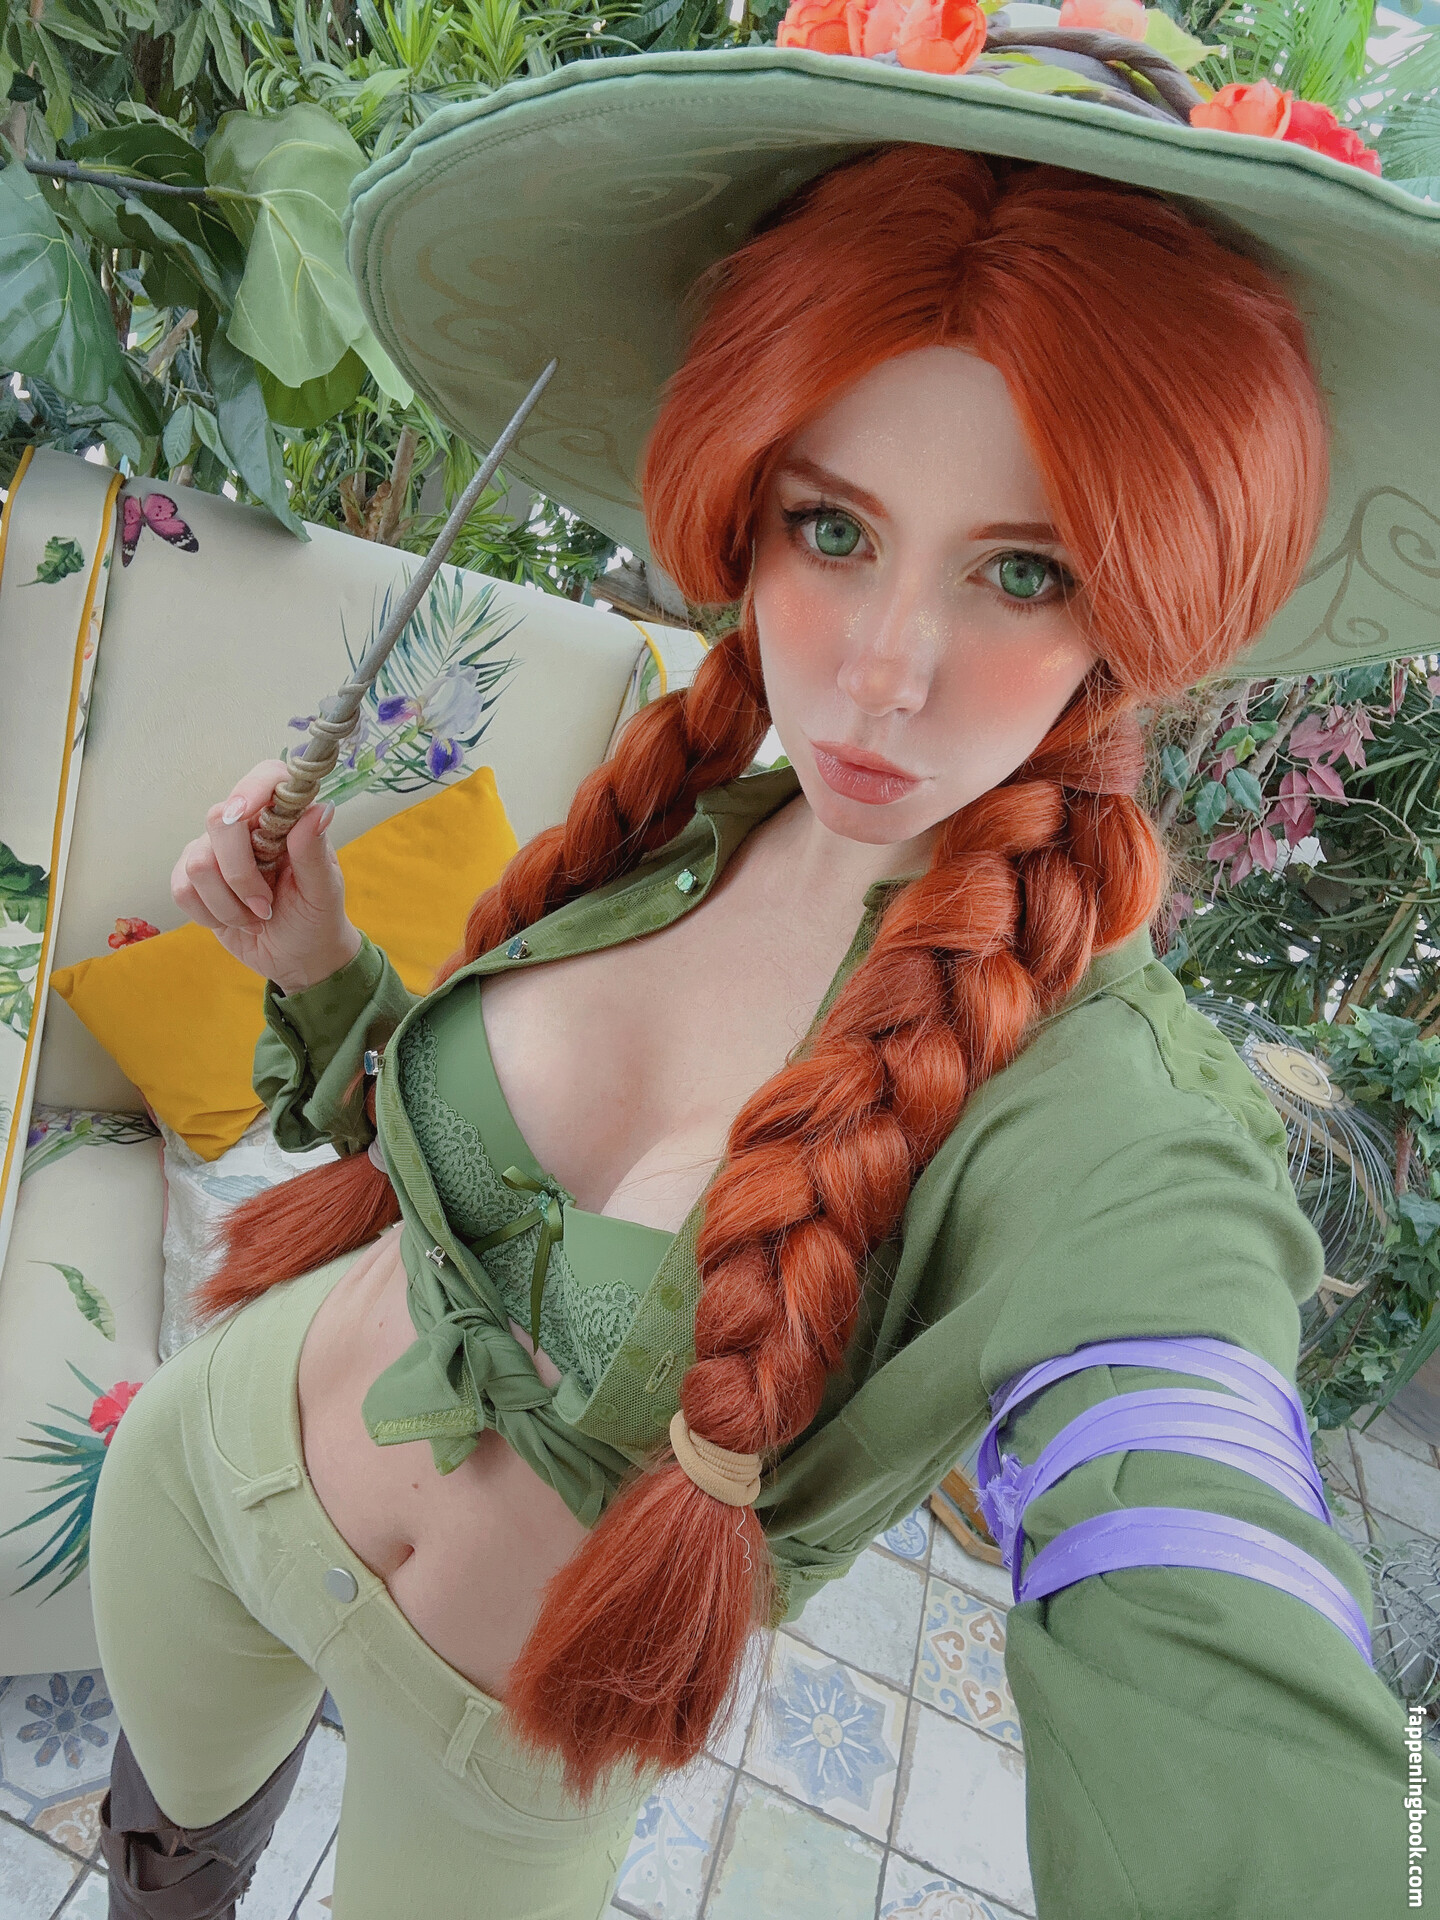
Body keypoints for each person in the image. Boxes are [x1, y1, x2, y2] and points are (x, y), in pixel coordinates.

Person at [89, 28, 1440, 1920]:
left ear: (1140, 599)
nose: (882, 673)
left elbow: (1195, 1519)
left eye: (1025, 571)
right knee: (163, 1863)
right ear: (749, 504)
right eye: (834, 528)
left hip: (503, 1752)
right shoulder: (680, 813)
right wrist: (315, 961)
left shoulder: (1095, 1105)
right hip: (209, 1474)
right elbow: (430, 1156)